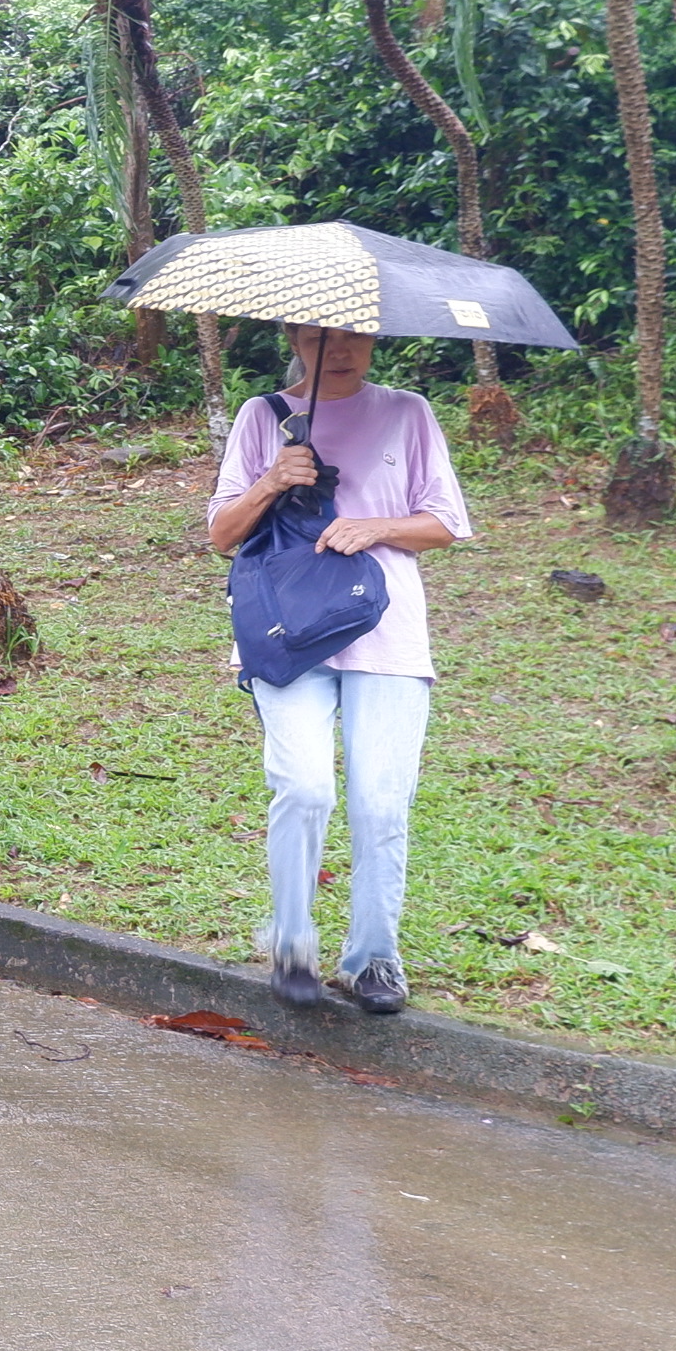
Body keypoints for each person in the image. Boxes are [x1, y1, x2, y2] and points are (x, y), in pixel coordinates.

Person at [203, 325, 473, 1016]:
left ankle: (374, 957)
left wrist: (376, 527)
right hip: (287, 630)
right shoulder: (263, 415)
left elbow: (446, 522)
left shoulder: (407, 411)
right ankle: (292, 943)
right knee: (303, 787)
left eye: (355, 336)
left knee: (381, 800)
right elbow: (222, 534)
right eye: (321, 338)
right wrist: (272, 480)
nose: (341, 350)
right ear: (295, 336)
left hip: (387, 631)